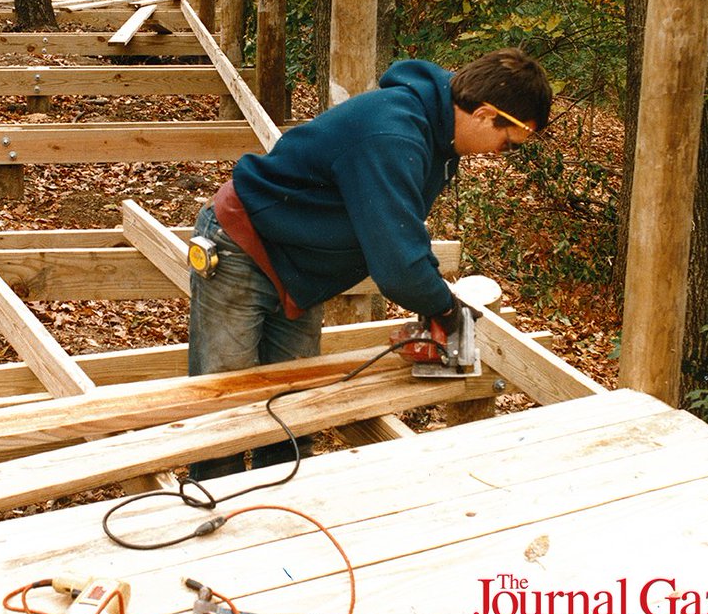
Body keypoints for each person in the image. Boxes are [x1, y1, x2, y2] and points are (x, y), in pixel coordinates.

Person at [186, 48, 552, 480]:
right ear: (485, 114)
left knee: (292, 402)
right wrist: (446, 311)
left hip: (300, 263)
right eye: (507, 143)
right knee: (225, 400)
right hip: (242, 244)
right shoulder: (394, 134)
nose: (499, 153)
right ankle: (214, 499)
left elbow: (404, 231)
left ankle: (280, 501)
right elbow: (398, 266)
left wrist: (435, 300)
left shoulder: (435, 135)